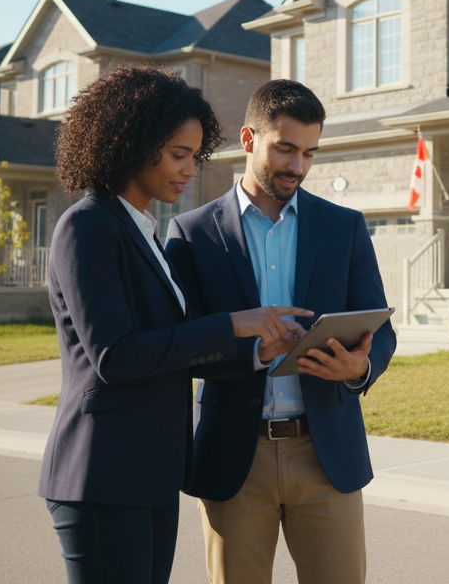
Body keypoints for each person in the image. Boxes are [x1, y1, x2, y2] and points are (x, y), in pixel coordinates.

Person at [39, 64, 311, 584]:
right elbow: (116, 357)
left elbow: (170, 348)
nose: (190, 170)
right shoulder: (88, 227)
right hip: (102, 474)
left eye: (194, 156)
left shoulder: (144, 232)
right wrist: (233, 324)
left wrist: (256, 351)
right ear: (130, 145)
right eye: (178, 155)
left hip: (151, 473)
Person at [165, 79, 396, 584]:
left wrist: (361, 367)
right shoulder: (191, 234)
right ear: (249, 139)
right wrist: (249, 355)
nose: (298, 166)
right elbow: (181, 347)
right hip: (233, 460)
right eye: (285, 148)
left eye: (309, 153)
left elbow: (382, 329)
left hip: (326, 453)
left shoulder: (345, 227)